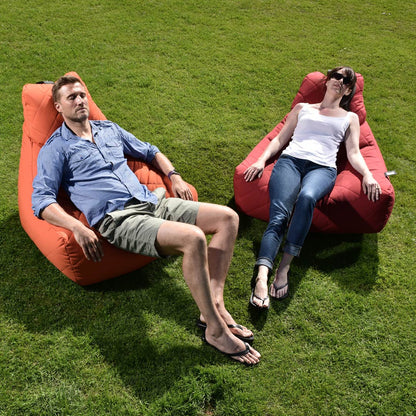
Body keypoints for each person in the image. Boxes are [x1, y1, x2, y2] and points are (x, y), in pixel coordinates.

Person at [32, 75, 260, 365]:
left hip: (152, 202)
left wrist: (174, 176)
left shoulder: (108, 129)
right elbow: (41, 200)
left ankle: (214, 307)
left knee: (228, 218)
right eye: (71, 97)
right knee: (193, 238)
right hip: (119, 219)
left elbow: (150, 151)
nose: (79, 101)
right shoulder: (56, 149)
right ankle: (215, 331)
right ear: (58, 107)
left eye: (82, 95)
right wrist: (76, 226)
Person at [244, 66, 382, 309]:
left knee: (307, 197)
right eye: (337, 76)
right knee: (279, 216)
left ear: (348, 90)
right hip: (290, 162)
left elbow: (353, 153)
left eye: (347, 81)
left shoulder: (350, 118)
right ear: (327, 81)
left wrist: (368, 175)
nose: (340, 81)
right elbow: (280, 139)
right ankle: (262, 276)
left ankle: (284, 267)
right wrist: (260, 160)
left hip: (323, 169)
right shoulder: (302, 108)